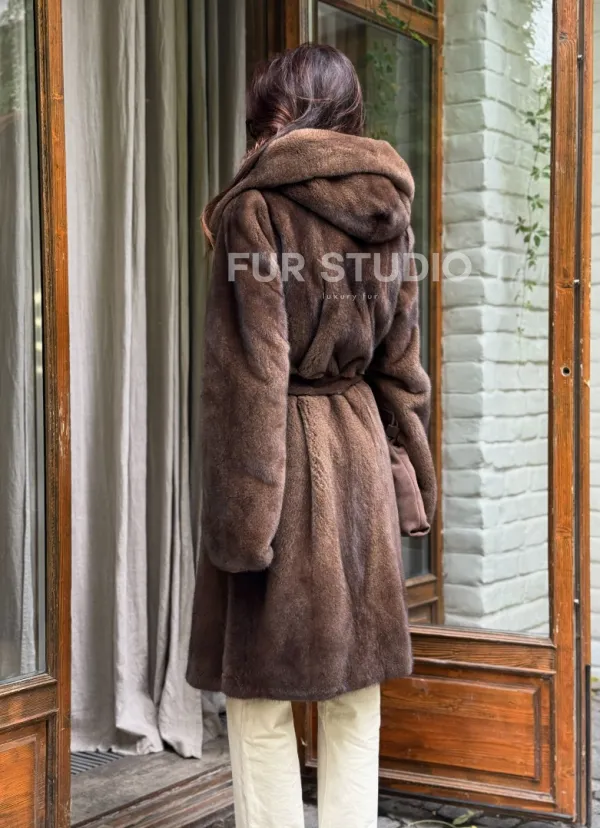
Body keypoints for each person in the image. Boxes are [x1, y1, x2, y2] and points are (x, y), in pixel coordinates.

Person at [187, 42, 437, 828]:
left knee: (259, 693)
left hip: (282, 465)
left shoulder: (255, 208)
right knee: (355, 690)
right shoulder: (387, 211)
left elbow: (248, 378)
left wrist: (241, 525)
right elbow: (402, 366)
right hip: (357, 453)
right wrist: (413, 476)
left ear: (281, 108)